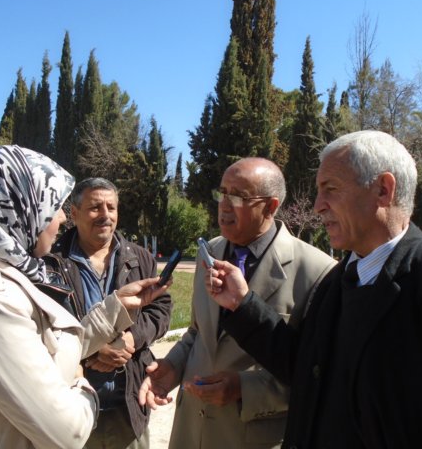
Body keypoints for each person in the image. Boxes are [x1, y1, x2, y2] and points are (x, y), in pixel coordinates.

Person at [198, 131, 422, 448]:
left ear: (383, 189)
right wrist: (243, 304)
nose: (318, 205)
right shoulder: (337, 283)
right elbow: (306, 368)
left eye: (330, 189)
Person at [0, 145, 170, 449]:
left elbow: (47, 347)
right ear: (19, 208)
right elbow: (68, 432)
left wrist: (114, 310)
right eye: (51, 206)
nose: (60, 218)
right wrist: (80, 377)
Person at [140, 157, 335, 448]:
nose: (224, 205)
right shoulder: (210, 251)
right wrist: (173, 366)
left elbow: (318, 376)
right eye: (222, 193)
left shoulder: (318, 272)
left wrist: (244, 389)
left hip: (249, 436)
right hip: (190, 432)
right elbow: (197, 332)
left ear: (270, 207)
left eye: (238, 197)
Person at [44, 177, 172, 449]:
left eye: (111, 207)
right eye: (95, 207)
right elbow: (44, 327)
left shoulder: (139, 258)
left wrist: (131, 339)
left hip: (128, 408)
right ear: (74, 213)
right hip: (72, 410)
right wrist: (93, 349)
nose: (105, 215)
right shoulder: (51, 262)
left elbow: (160, 309)